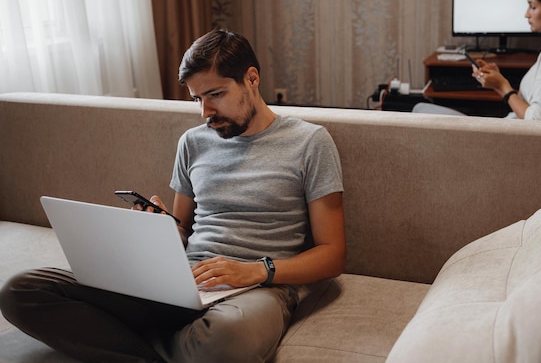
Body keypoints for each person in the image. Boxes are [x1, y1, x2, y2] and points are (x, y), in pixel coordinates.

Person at [0, 29, 346, 363]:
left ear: (251, 79)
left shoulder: (309, 143)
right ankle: (171, 351)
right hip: (181, 280)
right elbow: (181, 229)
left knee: (227, 339)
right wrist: (157, 229)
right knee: (21, 291)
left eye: (216, 94)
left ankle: (144, 344)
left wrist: (257, 271)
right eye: (197, 98)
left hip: (257, 290)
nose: (205, 112)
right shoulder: (193, 142)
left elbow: (332, 255)